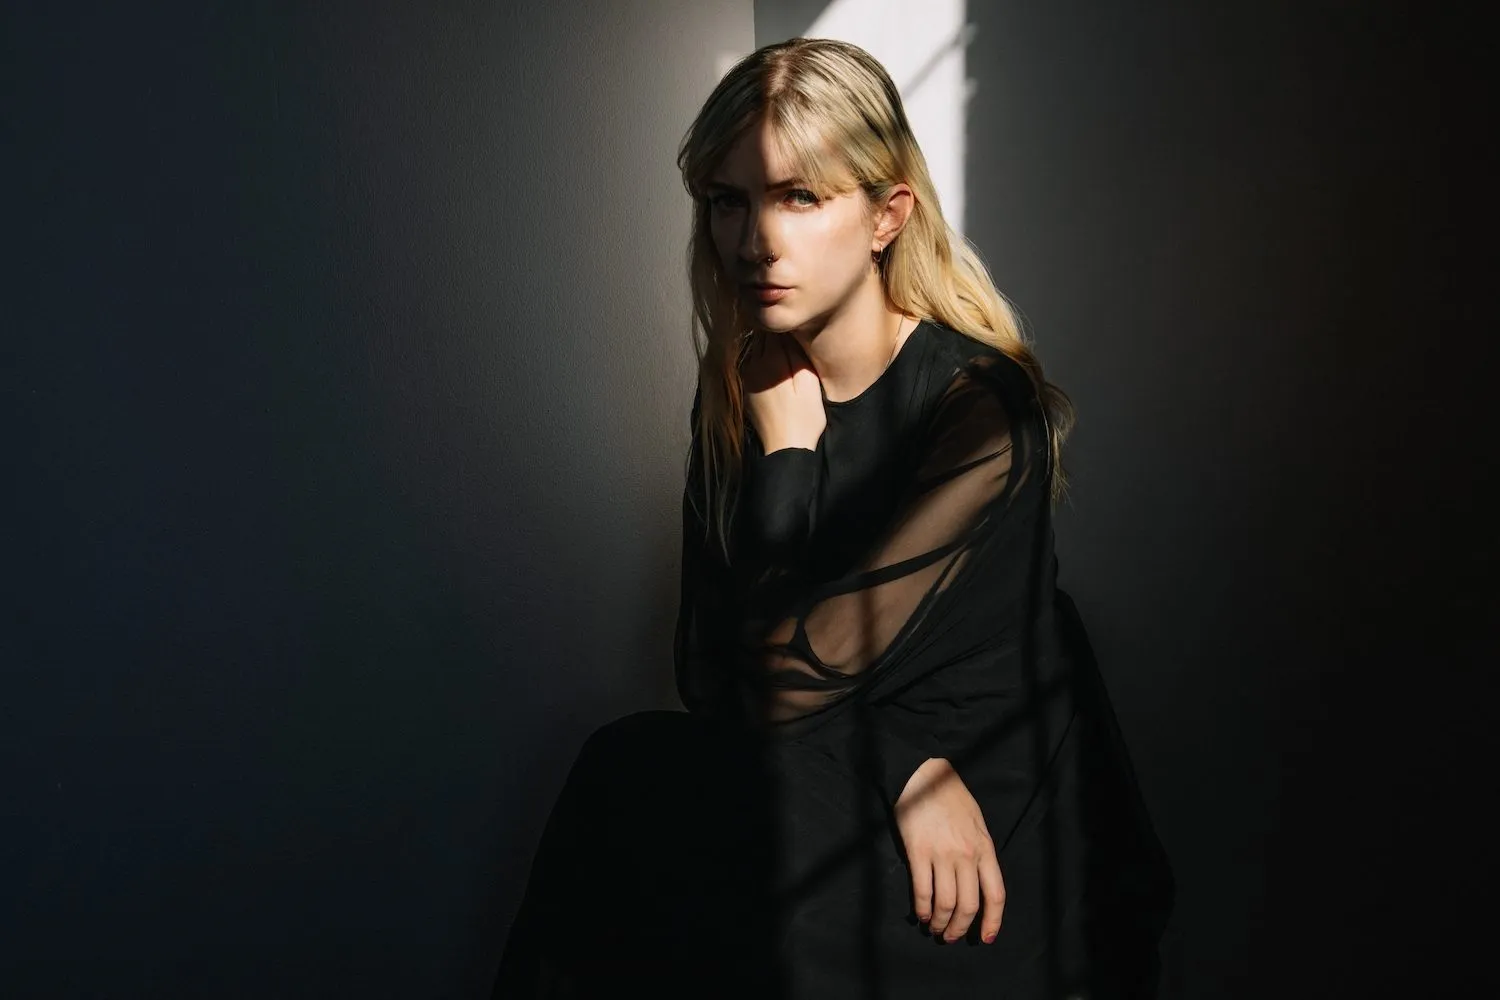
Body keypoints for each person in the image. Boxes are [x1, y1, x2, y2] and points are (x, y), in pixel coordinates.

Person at [494, 37, 1173, 999]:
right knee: (630, 771)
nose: (755, 243)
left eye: (799, 197)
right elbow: (709, 669)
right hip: (866, 777)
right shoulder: (747, 387)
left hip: (976, 831)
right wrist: (902, 767)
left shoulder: (981, 407)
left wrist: (789, 457)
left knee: (681, 847)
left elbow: (785, 676)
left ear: (887, 214)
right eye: (729, 201)